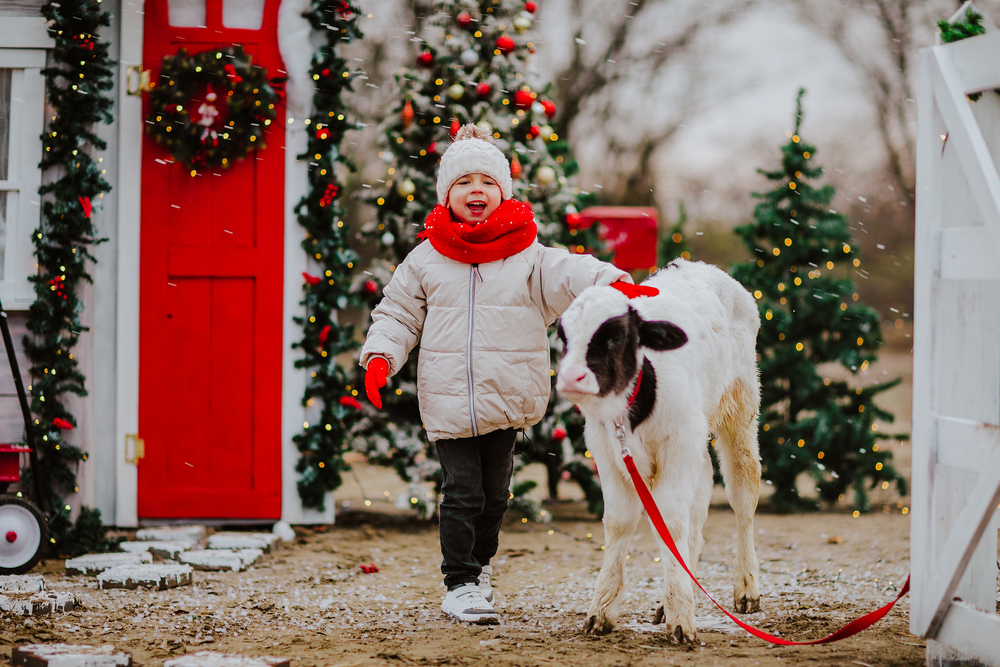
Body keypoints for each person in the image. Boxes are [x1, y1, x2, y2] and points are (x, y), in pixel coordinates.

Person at [360, 124, 655, 624]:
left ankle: (479, 567)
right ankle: (459, 581)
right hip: (449, 400)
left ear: (504, 192)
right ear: (446, 195)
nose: (477, 190)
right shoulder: (427, 258)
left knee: (495, 496)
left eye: (487, 182)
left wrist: (613, 284)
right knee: (463, 491)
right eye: (464, 182)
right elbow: (397, 314)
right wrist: (382, 357)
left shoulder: (527, 256)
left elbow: (570, 271)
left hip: (508, 396)